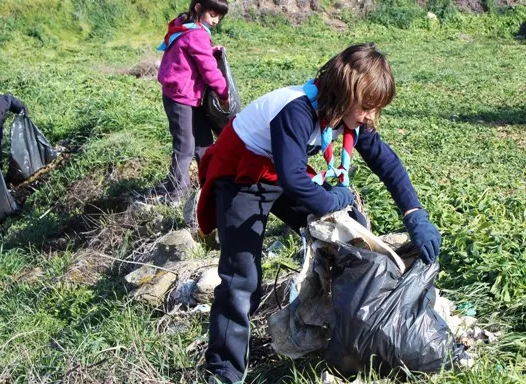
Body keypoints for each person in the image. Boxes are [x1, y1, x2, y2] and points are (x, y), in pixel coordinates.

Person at [196, 43, 442, 383]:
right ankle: (224, 371)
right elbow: (294, 180)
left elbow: (387, 163)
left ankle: (349, 334)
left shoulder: (346, 116)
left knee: (352, 236)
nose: (372, 116)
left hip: (281, 172)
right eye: (368, 106)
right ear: (345, 93)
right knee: (242, 279)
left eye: (376, 108)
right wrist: (333, 201)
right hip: (240, 175)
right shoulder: (296, 110)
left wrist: (415, 213)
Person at [156, 0, 230, 203]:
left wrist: (211, 50)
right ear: (198, 8)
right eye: (213, 15)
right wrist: (224, 93)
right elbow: (208, 69)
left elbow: (195, 52)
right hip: (180, 97)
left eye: (219, 17)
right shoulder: (196, 33)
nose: (216, 21)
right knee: (185, 146)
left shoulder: (186, 25)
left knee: (204, 142)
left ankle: (209, 184)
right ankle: (176, 194)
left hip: (189, 95)